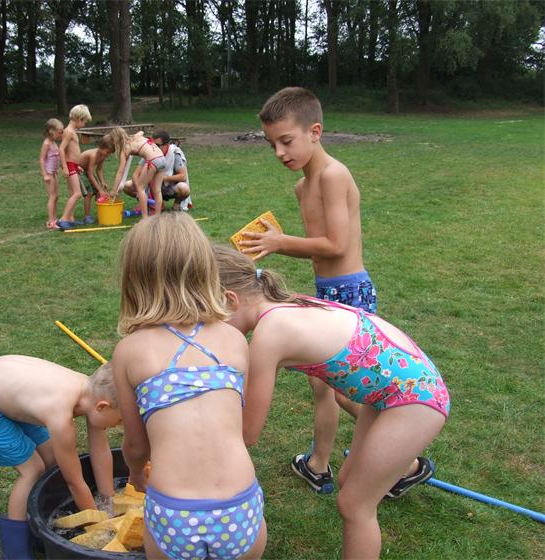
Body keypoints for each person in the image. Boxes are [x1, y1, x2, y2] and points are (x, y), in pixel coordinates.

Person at [213, 246, 449, 559]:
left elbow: (248, 432)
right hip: (392, 391)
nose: (211, 329)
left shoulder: (271, 333)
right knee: (348, 481)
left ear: (230, 300)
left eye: (210, 319)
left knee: (355, 505)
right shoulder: (286, 305)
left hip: (413, 397)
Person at [240, 86, 377, 494]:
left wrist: (281, 242)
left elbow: (337, 245)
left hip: (350, 293)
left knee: (346, 388)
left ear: (315, 132)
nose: (279, 152)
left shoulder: (334, 176)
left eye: (286, 141)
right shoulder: (303, 186)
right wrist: (275, 243)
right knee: (322, 385)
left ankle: (403, 459)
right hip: (326, 291)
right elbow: (320, 251)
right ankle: (318, 463)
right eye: (272, 144)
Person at [112, 213, 267, 560]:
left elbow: (137, 444)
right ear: (205, 270)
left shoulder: (130, 352)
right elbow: (235, 424)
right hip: (238, 506)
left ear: (134, 279)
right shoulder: (233, 340)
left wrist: (136, 472)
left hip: (174, 512)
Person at [0, 356, 120, 559]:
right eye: (120, 419)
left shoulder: (91, 393)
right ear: (102, 407)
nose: (119, 425)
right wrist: (100, 527)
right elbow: (74, 482)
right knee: (33, 470)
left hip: (6, 389)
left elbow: (101, 452)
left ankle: (38, 527)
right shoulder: (60, 415)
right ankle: (14, 551)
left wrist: (107, 500)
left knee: (53, 460)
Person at [122, 131, 192, 212]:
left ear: (166, 145)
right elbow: (136, 174)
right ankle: (149, 202)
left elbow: (183, 176)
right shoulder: (150, 152)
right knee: (127, 186)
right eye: (152, 144)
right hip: (150, 187)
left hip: (169, 187)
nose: (154, 147)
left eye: (157, 145)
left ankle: (176, 206)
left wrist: (162, 178)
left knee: (184, 189)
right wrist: (140, 192)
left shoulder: (174, 153)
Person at [107, 128, 167, 218]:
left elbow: (120, 172)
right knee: (157, 190)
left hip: (152, 161)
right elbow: (142, 132)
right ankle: (157, 217)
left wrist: (114, 190)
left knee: (140, 188)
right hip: (162, 158)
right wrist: (133, 136)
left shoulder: (125, 149)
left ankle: (145, 218)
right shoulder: (136, 136)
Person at [57, 104, 92, 230]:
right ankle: (63, 219)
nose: (84, 124)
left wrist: (77, 166)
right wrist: (65, 167)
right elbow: (61, 149)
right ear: (79, 118)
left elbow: (72, 151)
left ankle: (70, 218)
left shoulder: (73, 131)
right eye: (84, 121)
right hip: (69, 165)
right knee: (77, 194)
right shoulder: (68, 132)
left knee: (72, 193)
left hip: (73, 165)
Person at [74, 134, 114, 224]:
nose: (108, 155)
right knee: (89, 193)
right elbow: (90, 174)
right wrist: (100, 189)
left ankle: (101, 211)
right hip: (79, 171)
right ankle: (87, 217)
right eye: (108, 152)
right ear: (101, 147)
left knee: (98, 192)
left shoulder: (103, 155)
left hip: (87, 172)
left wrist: (103, 182)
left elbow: (99, 170)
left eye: (110, 153)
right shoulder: (93, 155)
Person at [39, 118, 64, 230]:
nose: (60, 135)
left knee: (56, 196)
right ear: (51, 131)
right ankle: (50, 221)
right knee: (52, 196)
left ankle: (54, 218)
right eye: (59, 132)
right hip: (49, 173)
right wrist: (44, 174)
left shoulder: (53, 143)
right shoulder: (46, 143)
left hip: (54, 172)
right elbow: (42, 159)